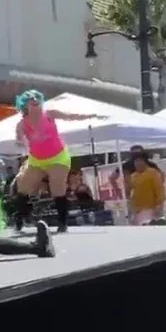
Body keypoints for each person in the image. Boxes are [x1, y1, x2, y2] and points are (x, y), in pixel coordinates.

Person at [12, 90, 102, 233]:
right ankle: (19, 219)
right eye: (30, 100)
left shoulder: (49, 114)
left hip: (57, 157)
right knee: (24, 187)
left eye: (37, 98)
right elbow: (19, 138)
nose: (34, 100)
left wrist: (91, 115)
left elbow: (70, 116)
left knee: (57, 188)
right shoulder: (22, 124)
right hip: (36, 159)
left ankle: (62, 223)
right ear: (25, 105)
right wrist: (21, 143)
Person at [128, 153, 166, 225]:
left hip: (150, 209)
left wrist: (160, 205)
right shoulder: (133, 176)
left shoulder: (152, 172)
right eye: (136, 161)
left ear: (145, 162)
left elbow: (159, 189)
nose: (138, 163)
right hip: (136, 211)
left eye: (140, 161)